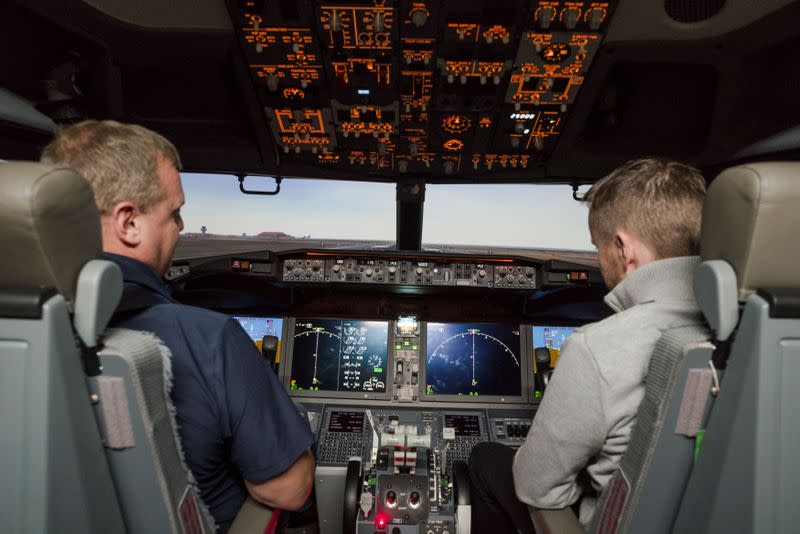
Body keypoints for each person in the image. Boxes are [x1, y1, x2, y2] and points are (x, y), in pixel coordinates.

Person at [41, 120, 315, 533]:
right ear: (128, 222)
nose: (182, 228)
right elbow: (289, 490)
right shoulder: (206, 338)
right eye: (174, 213)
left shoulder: (20, 330)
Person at [468, 158, 707, 533]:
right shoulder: (753, 334)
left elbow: (536, 488)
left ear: (623, 248)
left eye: (598, 247)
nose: (599, 260)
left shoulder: (600, 347)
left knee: (485, 458)